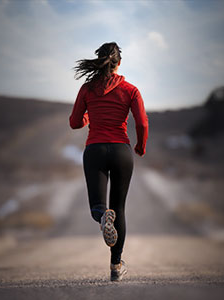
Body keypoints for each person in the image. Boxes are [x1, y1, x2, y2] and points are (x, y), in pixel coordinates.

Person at [69, 42, 148, 282]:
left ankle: (103, 216)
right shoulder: (131, 89)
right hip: (121, 151)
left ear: (100, 61)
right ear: (119, 63)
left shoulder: (87, 89)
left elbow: (74, 122)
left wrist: (87, 117)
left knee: (99, 206)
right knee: (120, 208)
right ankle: (115, 266)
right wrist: (140, 146)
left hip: (95, 149)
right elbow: (142, 123)